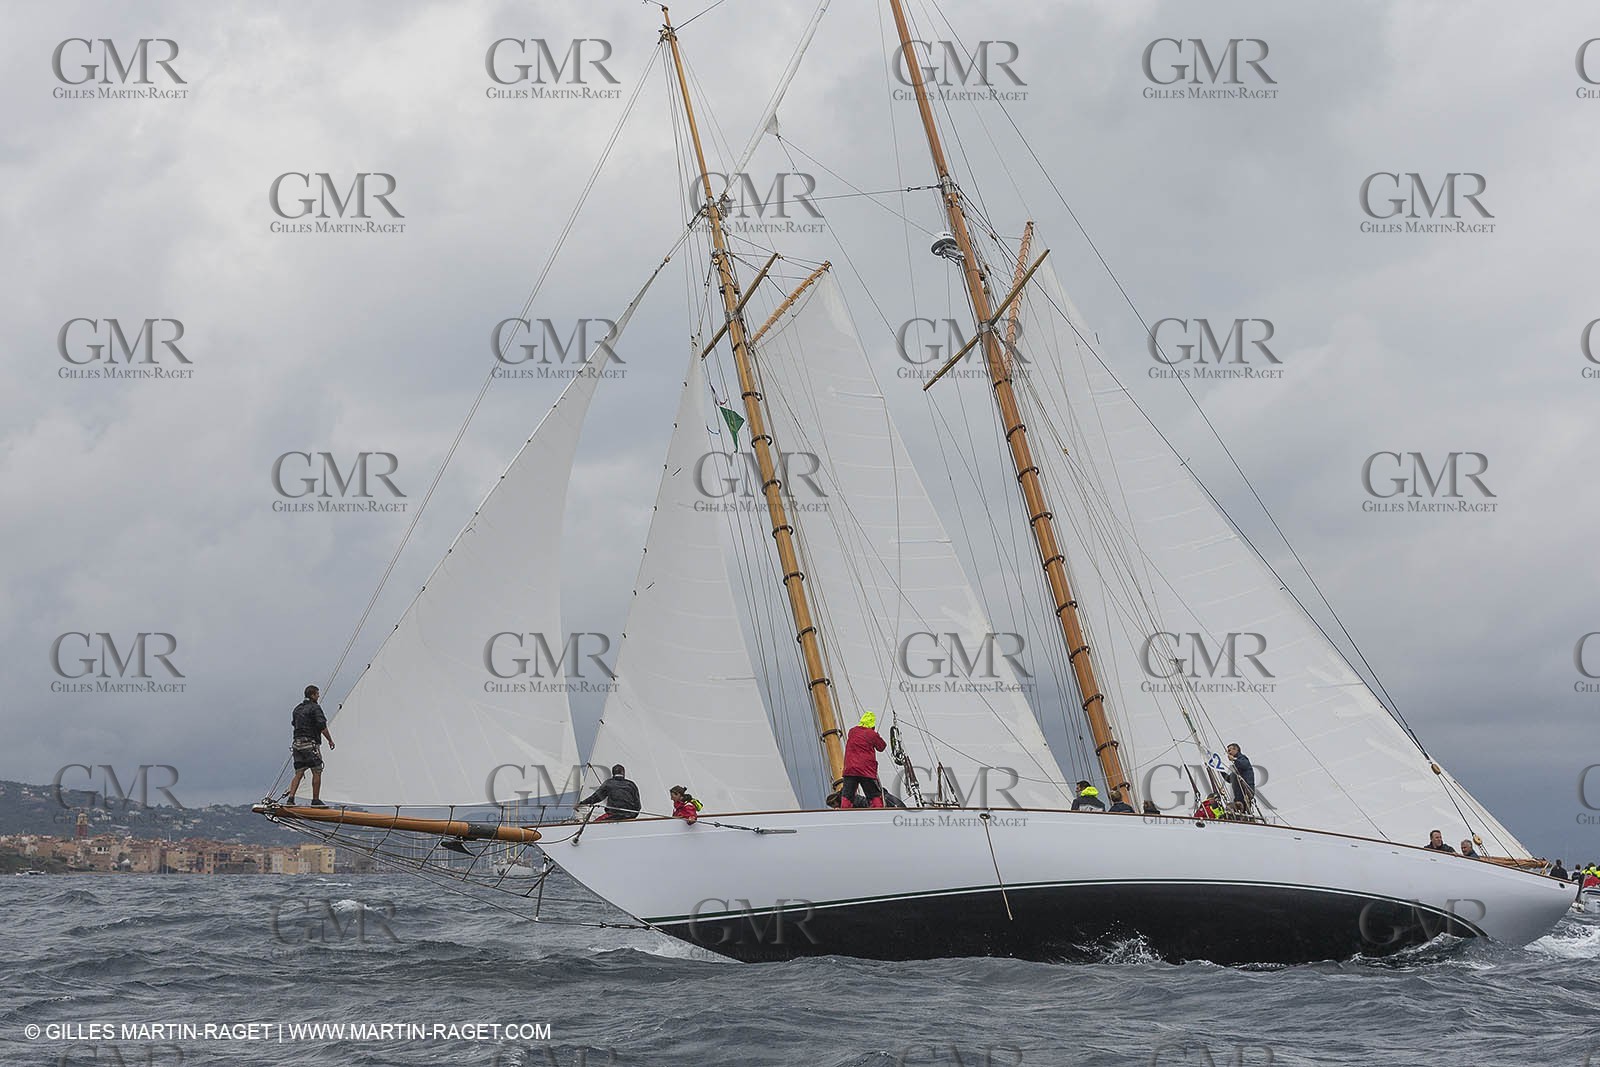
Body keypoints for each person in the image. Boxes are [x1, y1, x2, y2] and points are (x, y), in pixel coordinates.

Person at [284, 685, 334, 808]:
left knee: (299, 772)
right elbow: (322, 726)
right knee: (317, 770)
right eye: (317, 694)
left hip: (297, 745)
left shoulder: (297, 709)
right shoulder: (315, 708)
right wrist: (330, 740)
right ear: (312, 695)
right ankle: (315, 800)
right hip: (310, 744)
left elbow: (294, 724)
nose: (318, 696)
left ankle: (291, 799)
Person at [839, 712, 887, 809]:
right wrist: (875, 734)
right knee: (874, 795)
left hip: (850, 769)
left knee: (847, 795)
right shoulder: (872, 734)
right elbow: (882, 747)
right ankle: (879, 811)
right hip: (866, 771)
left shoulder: (852, 731)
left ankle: (844, 811)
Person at [1222, 743, 1255, 809]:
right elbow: (1229, 779)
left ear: (1236, 750)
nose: (1228, 753)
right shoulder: (1236, 767)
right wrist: (1221, 770)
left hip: (1245, 792)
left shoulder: (1242, 759)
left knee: (1239, 807)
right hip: (1238, 795)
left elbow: (1244, 764)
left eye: (1229, 751)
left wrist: (1234, 759)